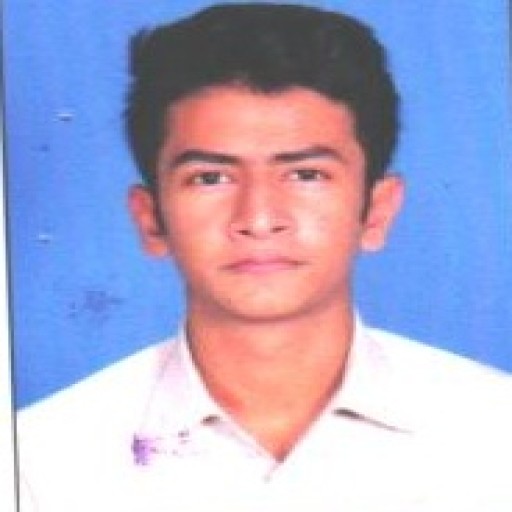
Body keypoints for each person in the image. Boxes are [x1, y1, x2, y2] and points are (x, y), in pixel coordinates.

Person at [17, 3, 512, 511]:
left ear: (377, 211)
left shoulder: (496, 436)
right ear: (150, 219)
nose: (258, 219)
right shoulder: (40, 461)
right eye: (210, 178)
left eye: (306, 175)